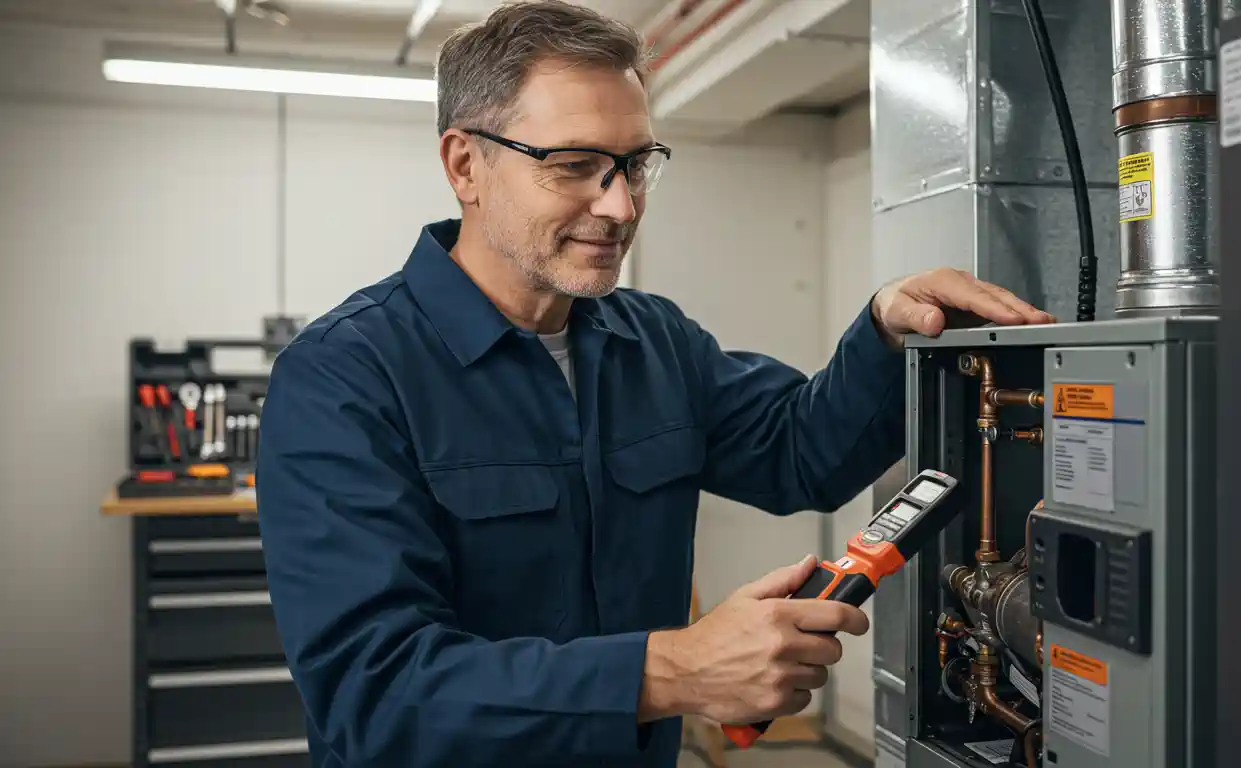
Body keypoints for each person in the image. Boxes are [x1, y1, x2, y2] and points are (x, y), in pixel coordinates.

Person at [254, 1, 1054, 766]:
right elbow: (374, 692)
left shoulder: (651, 340)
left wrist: (884, 328)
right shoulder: (344, 378)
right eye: (575, 167)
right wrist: (677, 670)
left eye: (636, 164)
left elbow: (803, 452)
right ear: (466, 164)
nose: (621, 204)